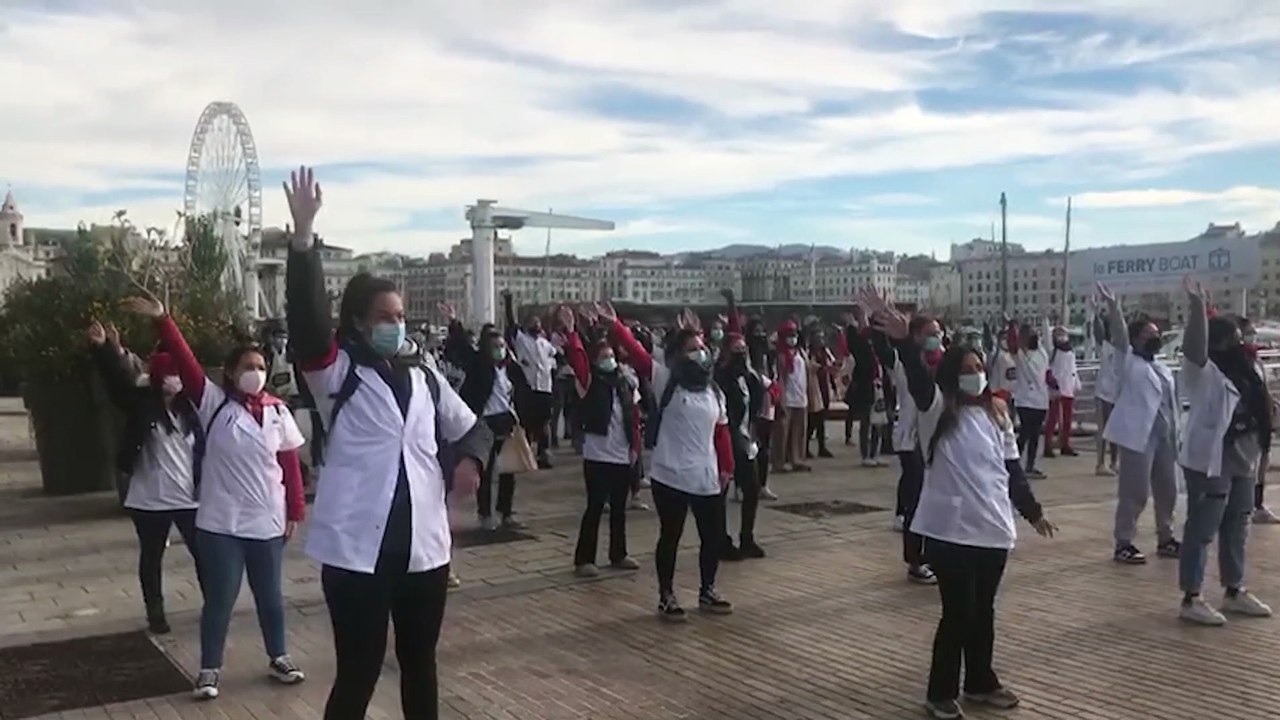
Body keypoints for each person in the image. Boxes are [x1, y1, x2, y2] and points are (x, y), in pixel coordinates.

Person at [282, 167, 489, 719]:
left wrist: (471, 459)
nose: (395, 326)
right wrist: (303, 241)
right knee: (360, 671)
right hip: (358, 555)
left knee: (420, 664)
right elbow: (307, 323)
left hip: (424, 552)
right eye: (383, 318)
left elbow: (474, 425)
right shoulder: (336, 373)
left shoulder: (424, 374)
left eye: (399, 316)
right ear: (357, 322)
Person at [866, 296, 1055, 720]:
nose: (975, 376)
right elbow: (918, 379)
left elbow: (1012, 471)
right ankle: (940, 692)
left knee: (983, 612)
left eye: (979, 369)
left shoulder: (997, 414)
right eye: (967, 370)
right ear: (953, 375)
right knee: (958, 614)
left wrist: (1033, 511)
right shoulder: (937, 409)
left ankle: (980, 682)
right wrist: (905, 342)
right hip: (950, 532)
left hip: (993, 529)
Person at [121, 294, 307, 701]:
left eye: (261, 367)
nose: (256, 374)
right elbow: (186, 361)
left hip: (267, 520)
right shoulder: (213, 404)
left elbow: (290, 464)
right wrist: (163, 321)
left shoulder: (278, 411)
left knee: (271, 597)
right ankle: (209, 669)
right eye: (248, 367)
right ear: (230, 373)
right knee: (220, 598)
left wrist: (295, 509)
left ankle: (279, 656)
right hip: (222, 522)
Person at [87, 320, 204, 635]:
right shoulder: (142, 405)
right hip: (150, 499)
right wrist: (104, 349)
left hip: (190, 498)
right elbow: (116, 385)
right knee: (152, 558)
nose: (174, 381)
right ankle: (156, 613)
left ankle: (214, 606)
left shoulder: (194, 409)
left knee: (204, 555)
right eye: (167, 375)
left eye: (177, 374)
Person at [1176, 278, 1273, 625]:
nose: (1240, 343)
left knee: (1237, 524)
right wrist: (1197, 307)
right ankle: (1192, 597)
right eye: (1233, 339)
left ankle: (1234, 589)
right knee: (1203, 527)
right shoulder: (1204, 372)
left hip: (1242, 456)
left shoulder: (1247, 369)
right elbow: (1193, 347)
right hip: (1211, 460)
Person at [648, 327, 735, 621]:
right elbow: (638, 356)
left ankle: (708, 589)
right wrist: (615, 326)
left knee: (712, 536)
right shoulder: (666, 380)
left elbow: (721, 431)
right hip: (671, 473)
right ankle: (666, 595)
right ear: (678, 354)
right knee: (670, 536)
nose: (700, 353)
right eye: (692, 348)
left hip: (705, 474)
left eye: (701, 347)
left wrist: (727, 466)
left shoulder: (713, 390)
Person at [1098, 282, 1180, 565]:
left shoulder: (1161, 365)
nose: (1155, 338)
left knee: (1168, 489)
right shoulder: (1127, 361)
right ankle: (1124, 542)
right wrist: (1113, 307)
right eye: (1149, 334)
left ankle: (1166, 537)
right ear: (1136, 339)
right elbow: (1120, 335)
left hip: (1165, 436)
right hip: (1139, 437)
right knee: (1135, 492)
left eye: (1157, 334)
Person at [562, 303, 643, 577]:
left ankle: (619, 553)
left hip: (621, 453)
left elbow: (633, 416)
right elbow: (578, 360)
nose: (609, 360)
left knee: (619, 508)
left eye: (611, 356)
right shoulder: (589, 381)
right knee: (595, 506)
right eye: (603, 357)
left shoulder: (624, 382)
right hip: (597, 454)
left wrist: (635, 446)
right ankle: (584, 559)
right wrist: (572, 332)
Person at [871, 305, 941, 584]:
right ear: (916, 336)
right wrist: (878, 317)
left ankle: (934, 555)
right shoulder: (903, 362)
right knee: (917, 501)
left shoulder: (944, 362)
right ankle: (915, 560)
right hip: (911, 441)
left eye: (938, 332)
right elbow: (883, 350)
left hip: (937, 443)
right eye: (930, 333)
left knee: (935, 501)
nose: (936, 338)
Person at [449, 308, 530, 530]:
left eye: (502, 346)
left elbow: (522, 390)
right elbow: (463, 348)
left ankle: (506, 511)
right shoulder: (480, 365)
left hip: (506, 420)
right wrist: (455, 322)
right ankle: (485, 513)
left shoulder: (510, 368)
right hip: (486, 422)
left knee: (508, 469)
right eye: (495, 347)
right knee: (487, 469)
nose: (500, 350)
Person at [714, 331, 766, 560]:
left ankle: (747, 537)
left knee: (752, 488)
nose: (741, 354)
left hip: (745, 437)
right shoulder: (720, 376)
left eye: (743, 349)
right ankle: (721, 541)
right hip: (727, 437)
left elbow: (756, 401)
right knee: (721, 490)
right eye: (736, 349)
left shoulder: (748, 376)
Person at [503, 291, 558, 468]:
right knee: (526, 423)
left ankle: (544, 454)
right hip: (529, 388)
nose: (536, 324)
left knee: (544, 423)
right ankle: (526, 456)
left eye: (538, 322)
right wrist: (509, 301)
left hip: (545, 388)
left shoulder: (545, 343)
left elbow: (556, 356)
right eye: (533, 322)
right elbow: (511, 323)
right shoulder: (522, 340)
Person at [1240, 318, 1280, 523]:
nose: (1252, 336)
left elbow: (1263, 387)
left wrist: (1272, 405)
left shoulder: (1256, 360)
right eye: (1248, 332)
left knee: (1263, 459)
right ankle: (1248, 504)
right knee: (1250, 464)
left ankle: (1258, 503)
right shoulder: (1238, 363)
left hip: (1263, 417)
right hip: (1249, 421)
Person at [1005, 319, 1050, 479]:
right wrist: (1012, 327)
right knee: (1025, 433)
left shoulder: (1042, 352)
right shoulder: (1019, 354)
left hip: (1040, 400)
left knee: (1035, 436)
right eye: (1030, 334)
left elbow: (1047, 338)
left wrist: (1045, 320)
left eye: (1034, 333)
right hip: (1025, 400)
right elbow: (1011, 343)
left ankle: (1030, 466)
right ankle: (1013, 465)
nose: (1034, 336)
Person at [771, 320, 809, 473]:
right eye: (789, 335)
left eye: (794, 335)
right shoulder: (780, 355)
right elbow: (779, 377)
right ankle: (779, 462)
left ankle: (797, 459)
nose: (793, 338)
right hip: (786, 398)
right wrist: (780, 398)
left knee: (799, 432)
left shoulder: (801, 353)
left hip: (801, 397)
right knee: (782, 433)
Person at [1043, 325, 1080, 457]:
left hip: (1069, 388)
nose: (1062, 337)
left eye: (1063, 334)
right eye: (1058, 334)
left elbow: (1073, 369)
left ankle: (1065, 444)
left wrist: (1076, 384)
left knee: (1067, 419)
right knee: (1053, 419)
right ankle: (1048, 446)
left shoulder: (1071, 352)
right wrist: (1053, 384)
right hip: (1057, 389)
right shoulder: (1053, 352)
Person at [1093, 306, 1121, 476]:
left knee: (1115, 430)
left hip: (1116, 394)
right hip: (1103, 393)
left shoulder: (1123, 349)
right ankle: (1100, 463)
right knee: (1103, 429)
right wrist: (1096, 314)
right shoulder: (1104, 346)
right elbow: (1098, 332)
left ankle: (1114, 462)